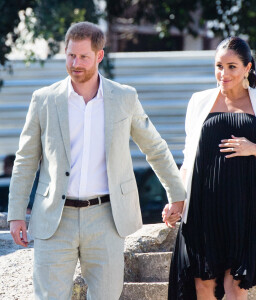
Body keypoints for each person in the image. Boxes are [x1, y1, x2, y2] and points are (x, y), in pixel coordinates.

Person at [8, 21, 185, 300]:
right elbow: (26, 159)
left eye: (83, 57)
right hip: (55, 216)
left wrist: (176, 193)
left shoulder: (124, 97)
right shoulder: (43, 99)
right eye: (70, 55)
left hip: (107, 217)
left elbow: (155, 148)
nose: (75, 63)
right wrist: (16, 213)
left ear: (99, 56)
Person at [163, 37, 256, 300]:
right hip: (202, 206)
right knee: (203, 285)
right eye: (219, 66)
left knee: (236, 286)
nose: (224, 73)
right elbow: (189, 158)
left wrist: (253, 148)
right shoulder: (199, 101)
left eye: (232, 66)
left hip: (246, 207)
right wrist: (177, 199)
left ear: (248, 68)